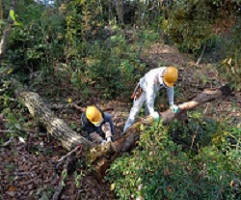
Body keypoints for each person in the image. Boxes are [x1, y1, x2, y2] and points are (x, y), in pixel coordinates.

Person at [123, 66, 179, 133]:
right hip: (143, 90)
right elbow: (150, 97)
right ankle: (126, 131)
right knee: (135, 110)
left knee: (149, 114)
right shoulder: (152, 77)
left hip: (153, 91)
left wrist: (171, 104)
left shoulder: (169, 74)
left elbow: (170, 88)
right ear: (162, 76)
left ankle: (146, 131)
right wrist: (152, 112)